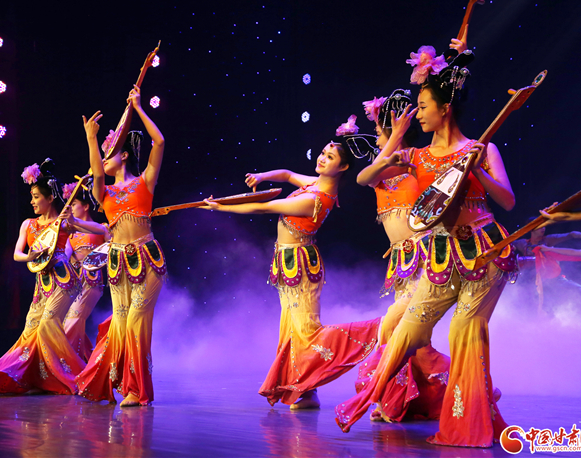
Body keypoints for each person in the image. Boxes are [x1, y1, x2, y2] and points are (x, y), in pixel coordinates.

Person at [336, 48, 517, 448]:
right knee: (407, 330)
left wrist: (478, 171)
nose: (416, 115)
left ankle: (468, 426)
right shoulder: (415, 156)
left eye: (422, 107)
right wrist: (395, 139)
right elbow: (365, 178)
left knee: (464, 330)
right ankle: (368, 398)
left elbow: (507, 201)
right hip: (440, 256)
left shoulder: (483, 149)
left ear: (445, 109)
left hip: (484, 253)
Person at [201, 134, 380, 410]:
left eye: (330, 157)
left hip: (301, 266)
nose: (322, 158)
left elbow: (264, 207)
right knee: (293, 329)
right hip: (289, 263)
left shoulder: (316, 199)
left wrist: (222, 207)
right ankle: (305, 391)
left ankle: (373, 331)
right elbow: (286, 174)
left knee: (307, 331)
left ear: (343, 167)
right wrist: (261, 176)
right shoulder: (313, 183)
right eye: (323, 152)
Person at [354, 90, 450, 423]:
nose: (378, 141)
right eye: (381, 134)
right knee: (414, 339)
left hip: (425, 255)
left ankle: (391, 396)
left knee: (394, 325)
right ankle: (411, 401)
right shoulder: (383, 169)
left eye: (380, 134)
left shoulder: (415, 162)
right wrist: (392, 139)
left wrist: (395, 137)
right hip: (401, 261)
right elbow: (363, 178)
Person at [75, 84, 167, 407]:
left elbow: (159, 142)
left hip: (147, 259)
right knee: (122, 323)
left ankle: (136, 389)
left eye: (109, 152)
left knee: (136, 322)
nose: (103, 159)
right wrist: (91, 139)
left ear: (124, 155)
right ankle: (124, 384)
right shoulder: (104, 193)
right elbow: (97, 173)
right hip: (117, 264)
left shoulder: (145, 182)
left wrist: (138, 108)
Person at [0, 159, 91, 395]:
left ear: (50, 198)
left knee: (48, 323)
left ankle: (76, 376)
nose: (31, 201)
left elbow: (97, 229)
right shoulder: (28, 224)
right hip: (42, 284)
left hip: (64, 281)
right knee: (31, 328)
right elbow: (17, 254)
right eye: (31, 196)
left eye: (36, 196)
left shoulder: (63, 223)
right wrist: (30, 256)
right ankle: (35, 377)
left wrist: (75, 222)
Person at [61, 181, 110, 362]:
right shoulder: (70, 232)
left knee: (74, 318)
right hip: (73, 281)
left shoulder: (101, 227)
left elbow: (112, 250)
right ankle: (85, 363)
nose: (71, 209)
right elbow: (64, 256)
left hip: (91, 280)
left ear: (86, 206)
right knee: (67, 321)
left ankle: (64, 363)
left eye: (74, 204)